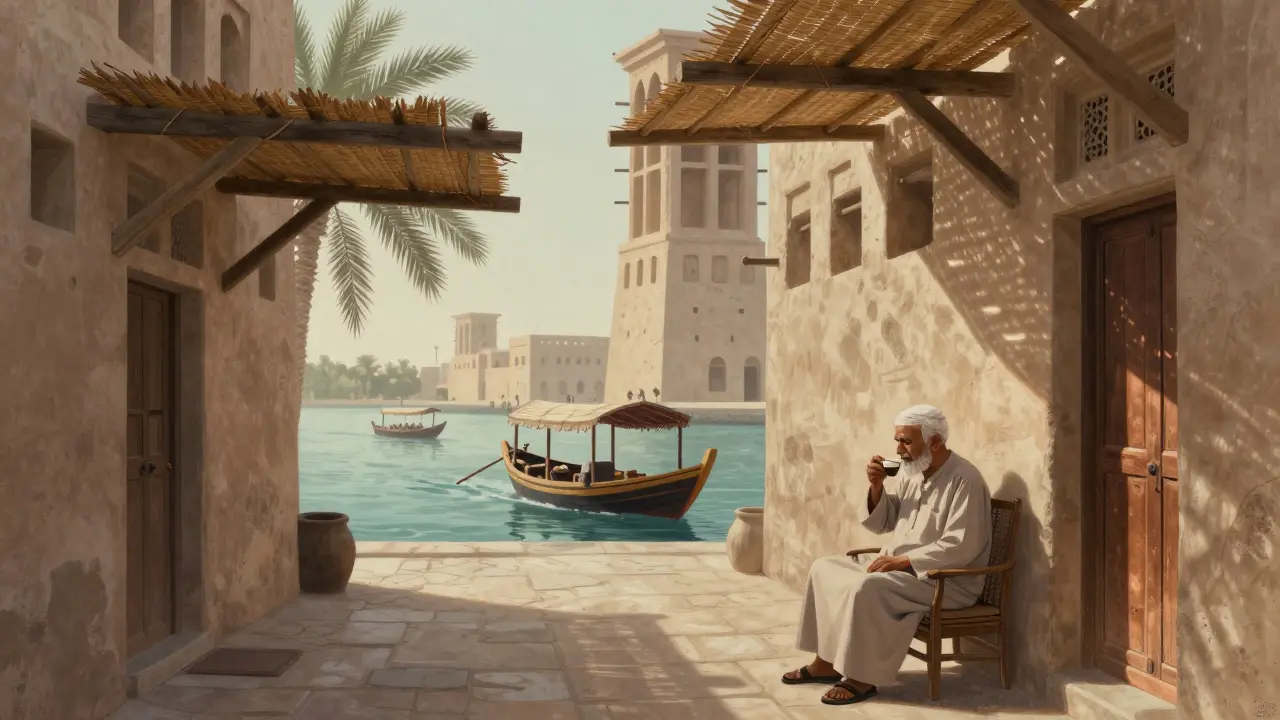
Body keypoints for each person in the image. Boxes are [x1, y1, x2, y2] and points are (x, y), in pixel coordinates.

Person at [782, 405, 992, 706]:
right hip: (898, 569)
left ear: (933, 441)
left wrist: (905, 561)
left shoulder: (965, 479)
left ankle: (860, 677)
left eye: (906, 441)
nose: (898, 449)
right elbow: (884, 522)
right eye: (897, 440)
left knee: (867, 588)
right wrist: (877, 487)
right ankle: (826, 661)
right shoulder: (914, 472)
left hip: (944, 581)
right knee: (823, 568)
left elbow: (962, 545)